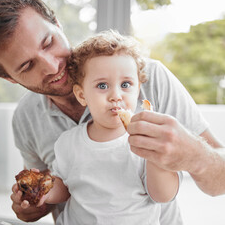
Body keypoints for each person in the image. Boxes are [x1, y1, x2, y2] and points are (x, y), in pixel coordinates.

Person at [0, 0, 224, 224]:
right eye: (27, 66)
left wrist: (194, 155)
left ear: (57, 23)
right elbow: (52, 190)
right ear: (8, 78)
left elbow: (219, 181)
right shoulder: (26, 118)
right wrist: (32, 206)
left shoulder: (148, 78)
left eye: (48, 42)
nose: (52, 66)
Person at [33, 30, 180, 224]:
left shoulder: (147, 138)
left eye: (126, 84)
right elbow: (64, 187)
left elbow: (163, 196)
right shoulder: (68, 143)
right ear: (82, 95)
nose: (116, 95)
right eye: (102, 86)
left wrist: (154, 154)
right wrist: (45, 189)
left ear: (138, 89)